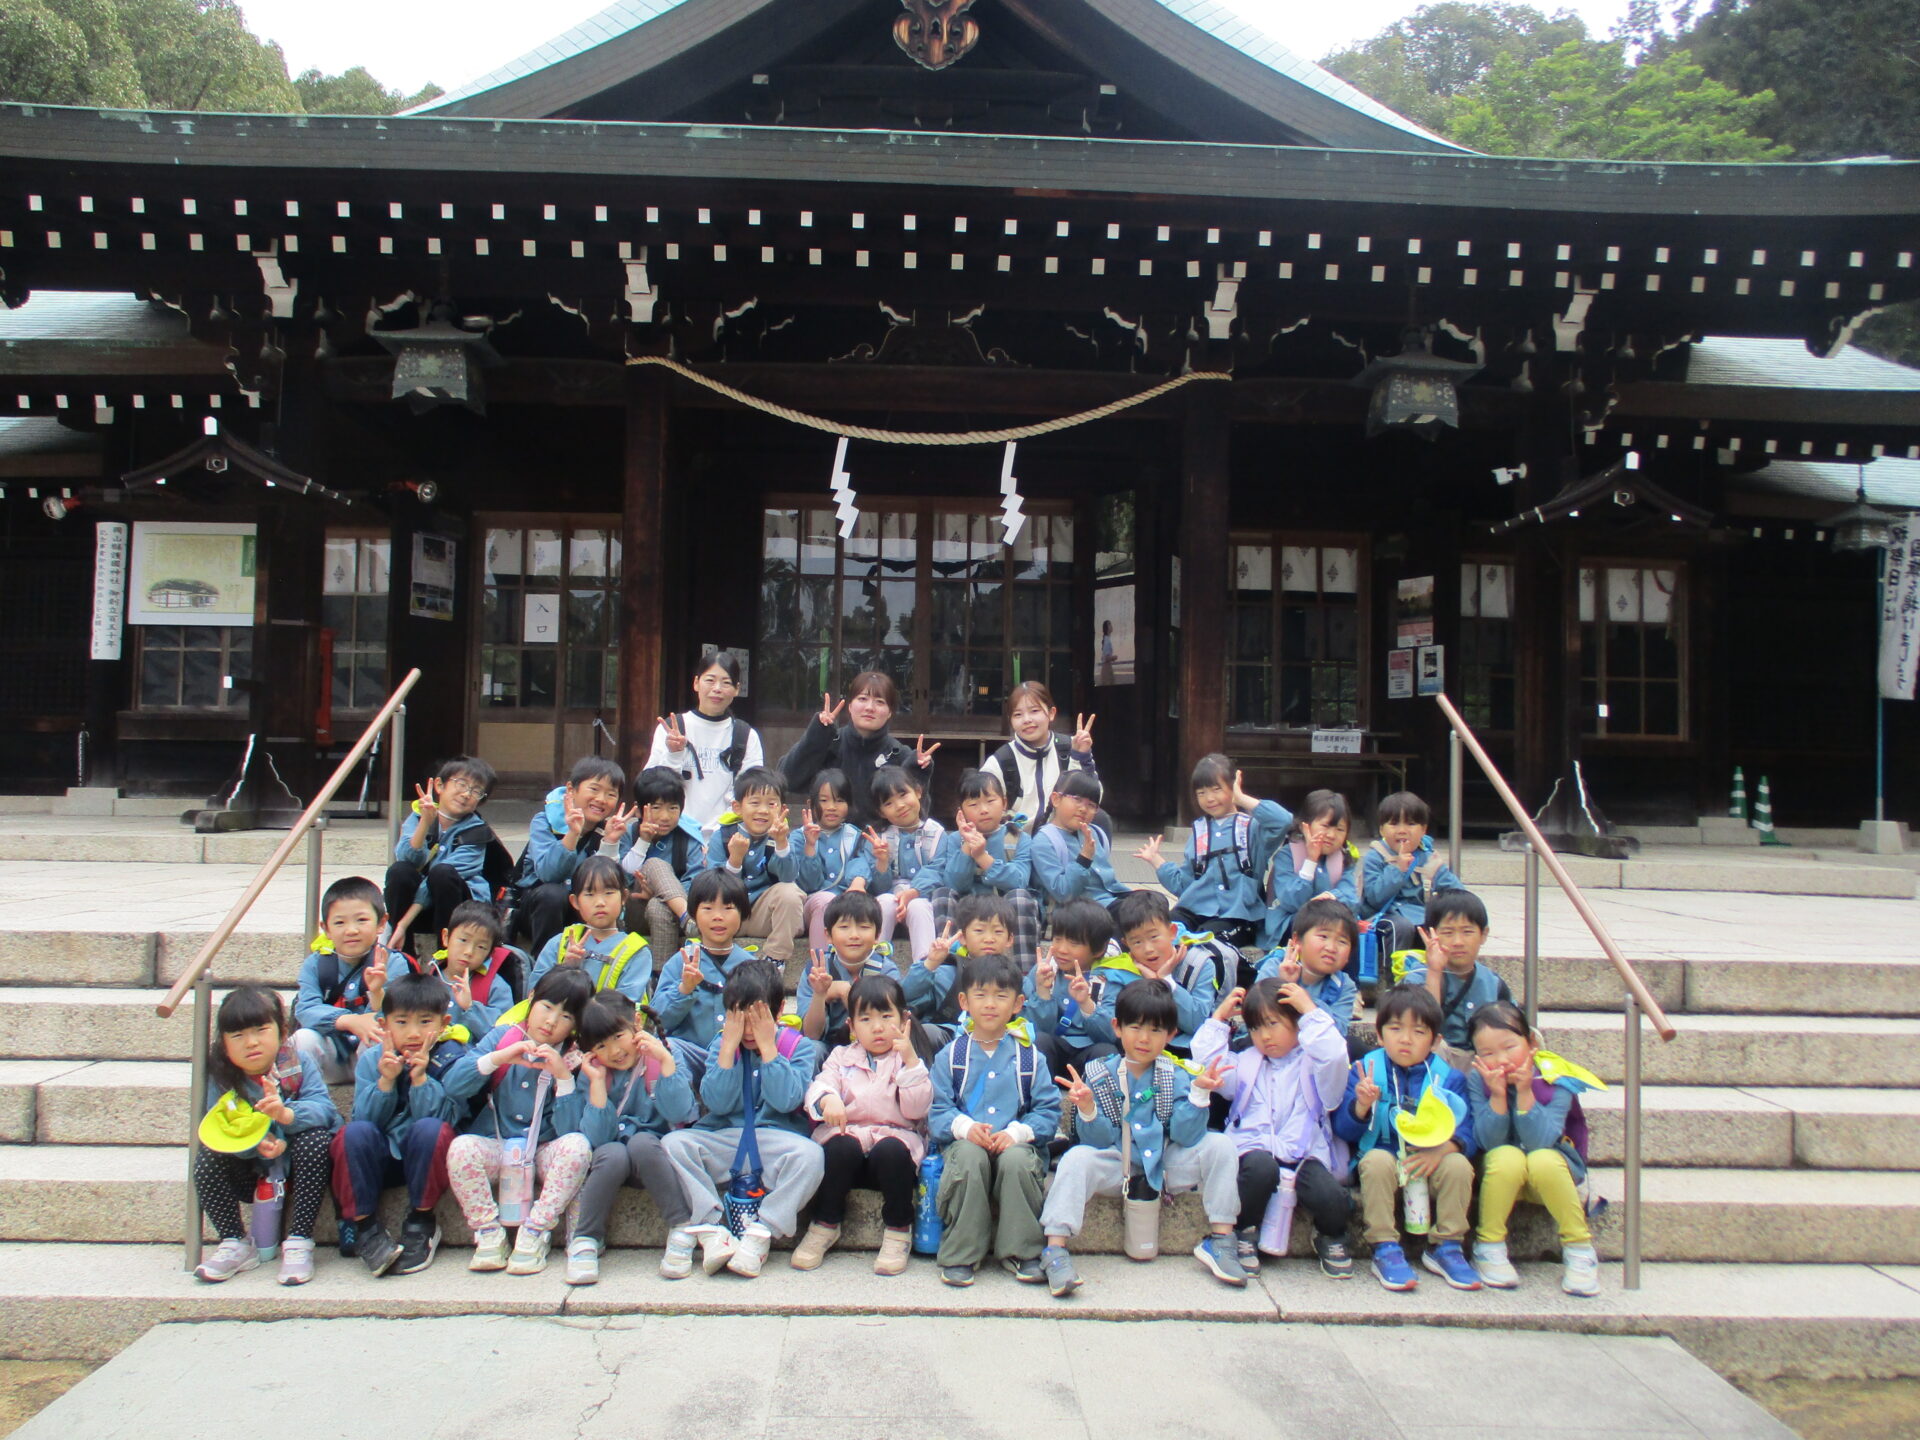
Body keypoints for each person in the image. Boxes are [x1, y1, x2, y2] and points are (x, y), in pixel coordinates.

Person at [1038, 979, 1243, 1297]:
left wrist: (1200, 1094)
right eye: (1135, 1027)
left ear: (1171, 1034)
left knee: (1220, 1145)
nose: (1144, 1039)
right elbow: (1095, 1141)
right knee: (1076, 1159)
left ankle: (1221, 1239)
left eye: (1156, 1030)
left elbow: (1185, 1136)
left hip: (1164, 1164)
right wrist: (1088, 1108)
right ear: (1117, 1027)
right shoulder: (1099, 1073)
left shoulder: (1175, 1073)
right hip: (1113, 1162)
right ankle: (1055, 1248)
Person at [662, 964, 826, 1280]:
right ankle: (710, 1228)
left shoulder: (799, 1047)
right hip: (724, 1137)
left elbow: (786, 1100)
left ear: (779, 1011)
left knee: (812, 1156)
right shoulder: (721, 1046)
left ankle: (761, 1233)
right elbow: (717, 1103)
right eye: (739, 1017)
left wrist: (768, 1048)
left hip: (773, 1140)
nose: (748, 1029)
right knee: (672, 1145)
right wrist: (726, 1049)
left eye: (756, 1018)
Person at [1193, 979, 1354, 1279]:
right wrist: (1218, 1020)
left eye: (1273, 1023)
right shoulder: (1245, 1063)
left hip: (1305, 1154)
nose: (1264, 1036)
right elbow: (1208, 1064)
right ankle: (1244, 1232)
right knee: (1260, 1169)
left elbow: (1334, 1056)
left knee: (1329, 1194)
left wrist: (1310, 1012)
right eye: (1255, 1028)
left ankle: (1331, 1236)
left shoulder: (1316, 1065)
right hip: (1254, 1151)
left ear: (1296, 1022)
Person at [443, 968, 595, 1276]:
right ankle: (488, 1233)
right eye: (547, 1007)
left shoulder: (576, 1058)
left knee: (578, 1147)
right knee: (460, 1148)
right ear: (530, 1000)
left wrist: (563, 1078)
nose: (551, 1021)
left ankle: (535, 1231)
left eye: (566, 1016)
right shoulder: (503, 1036)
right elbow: (452, 1087)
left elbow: (571, 1130)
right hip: (498, 1146)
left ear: (576, 1025)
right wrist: (498, 1059)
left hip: (542, 1151)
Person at [1333, 983, 1480, 1293]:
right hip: (1384, 1155)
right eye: (1396, 1028)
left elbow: (1467, 1130)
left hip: (1431, 1157)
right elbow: (1343, 1131)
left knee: (1458, 1166)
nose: (1405, 1039)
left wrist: (1442, 1151)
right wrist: (1360, 1106)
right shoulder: (1363, 1071)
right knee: (1375, 1162)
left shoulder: (1449, 1077)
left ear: (1435, 1040)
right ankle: (1384, 1245)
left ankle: (1448, 1245)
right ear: (1380, 1031)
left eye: (1418, 1032)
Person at [927, 952, 1060, 1287]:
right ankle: (961, 1253)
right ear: (964, 1001)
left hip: (1015, 1145)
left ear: (1017, 1004)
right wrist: (965, 1128)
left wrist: (1018, 1133)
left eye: (1001, 996)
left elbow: (1047, 1111)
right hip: (965, 1146)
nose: (990, 1004)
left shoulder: (1029, 1056)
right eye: (980, 995)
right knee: (969, 1157)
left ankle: (1022, 1250)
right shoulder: (952, 1056)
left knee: (1017, 1160)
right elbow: (938, 1112)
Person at [192, 986, 341, 1285]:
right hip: (250, 1170)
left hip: (298, 1170)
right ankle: (234, 1241)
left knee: (317, 1141)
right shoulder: (221, 1077)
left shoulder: (296, 1064)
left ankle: (299, 1240)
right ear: (223, 1043)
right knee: (207, 1155)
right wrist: (255, 1145)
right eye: (237, 1036)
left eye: (261, 1030)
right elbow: (220, 1126)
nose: (251, 1042)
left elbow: (325, 1111)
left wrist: (285, 1116)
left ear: (282, 1030)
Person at [328, 971, 469, 1278]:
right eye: (402, 1022)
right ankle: (365, 1226)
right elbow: (364, 1121)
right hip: (384, 1156)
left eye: (425, 1021)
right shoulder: (371, 1060)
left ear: (444, 1024)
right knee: (352, 1133)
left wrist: (420, 1080)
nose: (413, 1032)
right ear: (384, 1024)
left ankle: (421, 1222)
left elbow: (445, 1123)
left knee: (432, 1128)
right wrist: (385, 1081)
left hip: (424, 1158)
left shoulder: (451, 1059)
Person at [793, 974, 932, 1276]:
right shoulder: (841, 1057)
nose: (878, 1027)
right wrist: (828, 1100)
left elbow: (918, 1109)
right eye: (866, 1019)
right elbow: (820, 1085)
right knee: (839, 1147)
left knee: (893, 1151)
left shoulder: (908, 1060)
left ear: (903, 1019)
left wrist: (910, 1063)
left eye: (886, 1016)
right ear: (852, 1026)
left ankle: (898, 1229)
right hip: (850, 1148)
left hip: (892, 1150)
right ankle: (825, 1224)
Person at [1465, 1002, 1602, 1297]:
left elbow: (1543, 1139)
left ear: (1531, 1044)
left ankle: (1579, 1250)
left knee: (1542, 1159)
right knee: (1506, 1155)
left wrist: (1525, 1092)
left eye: (1509, 1046)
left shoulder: (1557, 1077)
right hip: (1504, 1176)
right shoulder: (1478, 1079)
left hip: (1551, 1175)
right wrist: (1498, 1096)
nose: (1500, 1059)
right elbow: (1488, 1141)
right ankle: (1489, 1246)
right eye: (1488, 1053)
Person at [567, 992, 702, 1286]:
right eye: (601, 1046)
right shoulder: (593, 1072)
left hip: (655, 1159)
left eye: (618, 1036)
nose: (614, 1051)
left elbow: (681, 1112)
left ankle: (681, 1225)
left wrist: (665, 1062)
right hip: (612, 1161)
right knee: (613, 1152)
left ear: (636, 1024)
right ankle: (586, 1238)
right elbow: (596, 1138)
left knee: (641, 1143)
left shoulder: (663, 1053)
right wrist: (598, 1084)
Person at [1134, 755, 1291, 951]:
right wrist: (1156, 861)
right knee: (1161, 932)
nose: (1209, 798)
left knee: (1205, 942)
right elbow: (1185, 884)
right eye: (1201, 792)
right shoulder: (1199, 831)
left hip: (1236, 916)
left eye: (1217, 789)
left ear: (1233, 785)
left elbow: (1283, 821)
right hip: (1193, 910)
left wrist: (1241, 798)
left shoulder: (1253, 828)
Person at [779, 673, 939, 831]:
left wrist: (918, 774)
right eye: (862, 699)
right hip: (826, 844)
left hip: (881, 849)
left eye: (879, 702)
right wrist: (817, 734)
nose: (869, 707)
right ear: (850, 706)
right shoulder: (828, 743)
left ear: (890, 711)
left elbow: (917, 817)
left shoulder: (899, 755)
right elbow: (788, 780)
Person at [383, 755, 508, 955]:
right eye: (461, 784)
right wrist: (425, 823)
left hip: (460, 910)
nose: (466, 794)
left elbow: (436, 878)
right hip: (421, 908)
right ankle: (403, 954)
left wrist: (403, 923)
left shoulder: (478, 832)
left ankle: (445, 955)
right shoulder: (417, 817)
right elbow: (407, 859)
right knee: (400, 871)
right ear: (439, 785)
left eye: (476, 790)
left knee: (442, 873)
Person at [913, 768, 1041, 961]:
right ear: (962, 812)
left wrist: (982, 856)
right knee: (942, 894)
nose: (983, 810)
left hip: (1004, 908)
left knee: (1022, 897)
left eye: (990, 801)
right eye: (973, 804)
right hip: (969, 907)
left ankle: (1024, 972)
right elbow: (954, 883)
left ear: (1004, 803)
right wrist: (966, 847)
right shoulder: (955, 839)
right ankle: (951, 964)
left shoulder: (1019, 838)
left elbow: (1019, 881)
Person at [517, 756, 639, 956]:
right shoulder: (544, 822)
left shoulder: (609, 829)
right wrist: (572, 834)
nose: (601, 799)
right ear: (571, 790)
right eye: (594, 789)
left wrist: (610, 842)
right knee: (552, 894)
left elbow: (617, 884)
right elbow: (548, 874)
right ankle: (545, 965)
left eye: (611, 794)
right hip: (540, 909)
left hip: (584, 906)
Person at [1094, 891, 1236, 1057]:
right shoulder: (1118, 972)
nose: (1148, 949)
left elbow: (1198, 1023)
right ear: (1126, 943)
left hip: (1188, 1051)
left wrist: (1165, 982)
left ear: (1172, 931)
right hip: (1138, 1052)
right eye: (1137, 942)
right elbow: (1112, 1031)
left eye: (1154, 937)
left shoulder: (1199, 964)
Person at [645, 648, 765, 833]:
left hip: (725, 838)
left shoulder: (746, 735)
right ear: (696, 683)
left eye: (726, 683)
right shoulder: (672, 729)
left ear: (737, 689)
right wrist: (673, 754)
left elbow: (751, 794)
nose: (717, 689)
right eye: (710, 680)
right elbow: (650, 787)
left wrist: (720, 835)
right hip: (675, 833)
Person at [652, 869, 773, 1050]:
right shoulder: (680, 962)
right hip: (688, 1055)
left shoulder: (752, 966)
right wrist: (684, 989)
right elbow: (659, 1020)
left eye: (728, 908)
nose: (718, 916)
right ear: (693, 914)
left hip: (736, 1058)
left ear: (743, 913)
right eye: (707, 908)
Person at [292, 876, 393, 1085]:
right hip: (333, 1053)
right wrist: (350, 1021)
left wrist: (377, 994)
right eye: (339, 922)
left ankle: (369, 1113)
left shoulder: (393, 962)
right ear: (326, 929)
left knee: (379, 1037)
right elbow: (306, 1009)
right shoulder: (316, 964)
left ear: (381, 923)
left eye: (362, 920)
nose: (351, 930)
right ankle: (308, 1107)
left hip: (376, 1057)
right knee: (302, 1040)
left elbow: (400, 1017)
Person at [707, 765, 805, 974]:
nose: (763, 810)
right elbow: (713, 888)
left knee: (790, 892)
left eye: (771, 804)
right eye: (754, 803)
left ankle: (775, 959)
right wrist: (734, 860)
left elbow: (789, 877)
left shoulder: (783, 836)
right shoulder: (722, 837)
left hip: (763, 915)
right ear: (737, 807)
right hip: (728, 912)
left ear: (781, 808)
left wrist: (780, 844)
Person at [527, 856, 652, 1006]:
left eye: (609, 893)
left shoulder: (636, 952)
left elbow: (626, 1007)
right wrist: (563, 969)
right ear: (575, 902)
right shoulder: (559, 943)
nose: (600, 902)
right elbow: (533, 996)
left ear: (624, 897)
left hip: (607, 1027)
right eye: (589, 894)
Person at [980, 681, 1098, 831]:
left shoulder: (1069, 748)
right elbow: (981, 806)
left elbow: (1095, 798)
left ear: (1051, 713)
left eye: (1034, 711)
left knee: (1102, 820)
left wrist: (1082, 756)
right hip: (1016, 848)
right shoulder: (1001, 761)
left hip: (1061, 844)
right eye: (1018, 714)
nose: (1027, 719)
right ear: (1011, 720)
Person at [620, 766, 709, 962]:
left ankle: (660, 977)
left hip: (669, 913)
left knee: (658, 907)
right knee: (653, 863)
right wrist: (643, 842)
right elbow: (620, 879)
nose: (665, 816)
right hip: (631, 908)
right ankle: (687, 917)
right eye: (656, 808)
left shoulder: (688, 839)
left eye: (673, 808)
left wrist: (661, 895)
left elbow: (695, 883)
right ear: (640, 809)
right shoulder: (628, 833)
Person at [1360, 790, 1464, 956]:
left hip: (1420, 915)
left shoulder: (1428, 857)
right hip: (1384, 917)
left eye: (1410, 824)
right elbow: (1375, 898)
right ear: (1381, 830)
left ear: (1423, 830)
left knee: (1442, 925)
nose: (1402, 830)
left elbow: (1456, 891)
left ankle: (1438, 975)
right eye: (1394, 824)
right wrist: (1397, 870)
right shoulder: (1376, 856)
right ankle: (1394, 975)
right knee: (1401, 926)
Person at [1025, 899, 1121, 1076]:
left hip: (1089, 1051)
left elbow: (1110, 1035)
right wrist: (1043, 993)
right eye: (1057, 939)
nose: (1062, 949)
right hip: (1053, 1048)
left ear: (1098, 949)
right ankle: (1041, 1099)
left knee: (1107, 1052)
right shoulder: (1043, 971)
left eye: (1074, 943)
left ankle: (1090, 1103)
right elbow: (1031, 1028)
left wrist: (1086, 1004)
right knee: (1038, 1042)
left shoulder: (1111, 978)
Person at [903, 893, 1017, 1041]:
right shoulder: (947, 973)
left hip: (1001, 1045)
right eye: (979, 930)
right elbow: (906, 997)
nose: (989, 938)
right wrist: (930, 963)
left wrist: (1042, 989)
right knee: (928, 1032)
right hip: (950, 1043)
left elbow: (1033, 1022)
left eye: (998, 931)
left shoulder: (1016, 978)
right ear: (962, 937)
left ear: (1010, 939)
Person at [795, 890, 901, 1046]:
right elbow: (811, 1034)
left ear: (877, 934)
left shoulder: (886, 971)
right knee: (812, 1049)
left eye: (864, 927)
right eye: (844, 927)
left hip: (873, 1048)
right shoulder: (816, 969)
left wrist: (847, 994)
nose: (854, 935)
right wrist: (820, 995)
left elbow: (891, 1030)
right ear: (828, 935)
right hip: (828, 1048)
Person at [405, 899, 525, 1036]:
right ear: (446, 937)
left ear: (489, 953)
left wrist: (470, 1008)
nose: (469, 951)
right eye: (463, 940)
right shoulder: (430, 978)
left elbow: (502, 1033)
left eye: (481, 947)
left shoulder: (496, 987)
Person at [865, 765, 944, 963]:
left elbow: (938, 869)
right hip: (891, 900)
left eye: (903, 795)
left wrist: (914, 892)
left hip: (923, 900)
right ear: (881, 812)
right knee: (883, 901)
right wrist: (882, 862)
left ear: (918, 792)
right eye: (889, 803)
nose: (900, 805)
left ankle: (925, 967)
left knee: (918, 906)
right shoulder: (879, 837)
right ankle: (872, 964)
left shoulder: (937, 833)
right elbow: (878, 887)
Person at [1255, 896, 1362, 1042]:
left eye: (1342, 941)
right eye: (1323, 936)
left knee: (1354, 1046)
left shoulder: (1345, 985)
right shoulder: (1275, 967)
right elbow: (1257, 1016)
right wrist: (1281, 984)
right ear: (1297, 940)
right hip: (1273, 1047)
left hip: (1316, 1049)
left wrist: (1307, 1004)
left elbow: (1337, 1033)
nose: (1331, 948)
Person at [1265, 789, 1360, 948]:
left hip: (1332, 924)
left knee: (1348, 929)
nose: (1331, 834)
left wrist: (1329, 896)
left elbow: (1352, 898)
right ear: (1305, 826)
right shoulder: (1288, 856)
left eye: (1340, 829)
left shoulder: (1343, 858)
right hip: (1290, 926)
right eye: (1325, 826)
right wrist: (1310, 861)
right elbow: (1291, 901)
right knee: (1320, 925)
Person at [796, 769, 875, 953]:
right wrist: (810, 846)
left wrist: (858, 881)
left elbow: (861, 861)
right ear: (811, 804)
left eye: (839, 800)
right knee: (824, 900)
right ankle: (820, 965)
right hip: (814, 907)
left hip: (847, 906)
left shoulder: (855, 835)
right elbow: (810, 884)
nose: (832, 807)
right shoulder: (799, 837)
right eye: (824, 800)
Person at [1030, 771, 1130, 910]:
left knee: (1154, 902)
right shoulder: (1044, 841)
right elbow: (1063, 893)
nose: (1083, 809)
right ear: (1056, 799)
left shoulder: (1095, 833)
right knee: (1136, 913)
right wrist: (1083, 859)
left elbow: (1110, 882)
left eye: (1091, 805)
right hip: (1080, 912)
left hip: (1110, 900)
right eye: (1077, 799)